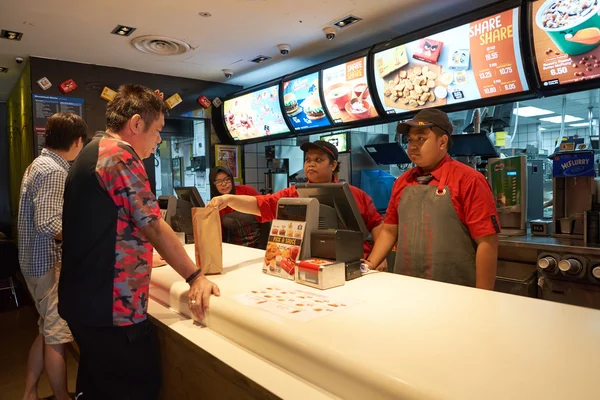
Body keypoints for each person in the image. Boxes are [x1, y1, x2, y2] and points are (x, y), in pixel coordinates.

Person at [58, 85, 220, 400]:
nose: (159, 139)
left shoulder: (92, 151)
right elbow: (153, 225)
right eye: (157, 130)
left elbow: (110, 226)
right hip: (110, 311)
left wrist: (138, 256)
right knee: (136, 389)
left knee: (96, 387)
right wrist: (195, 276)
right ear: (135, 124)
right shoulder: (119, 154)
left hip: (86, 303)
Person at [363, 109, 500, 289]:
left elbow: (487, 242)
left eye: (421, 139)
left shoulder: (469, 180)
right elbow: (389, 231)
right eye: (410, 140)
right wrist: (369, 265)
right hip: (406, 289)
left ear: (442, 142)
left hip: (455, 292)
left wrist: (484, 296)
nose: (412, 146)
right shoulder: (402, 182)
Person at [207, 140, 384, 260]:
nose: (311, 164)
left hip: (354, 261)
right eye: (308, 160)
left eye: (318, 160)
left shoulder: (356, 194)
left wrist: (376, 260)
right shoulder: (293, 194)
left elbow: (378, 226)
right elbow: (262, 204)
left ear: (333, 165)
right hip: (308, 262)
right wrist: (229, 199)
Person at [17, 112, 87, 400]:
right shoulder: (55, 171)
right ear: (78, 141)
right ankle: (62, 397)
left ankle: (29, 393)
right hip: (46, 264)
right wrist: (86, 237)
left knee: (46, 332)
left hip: (32, 263)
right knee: (57, 338)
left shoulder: (39, 164)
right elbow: (48, 223)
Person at [209, 166, 266, 248]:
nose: (224, 184)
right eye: (219, 181)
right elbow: (220, 235)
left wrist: (263, 246)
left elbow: (265, 216)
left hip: (259, 245)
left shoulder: (247, 191)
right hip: (236, 249)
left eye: (227, 179)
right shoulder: (216, 204)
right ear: (213, 184)